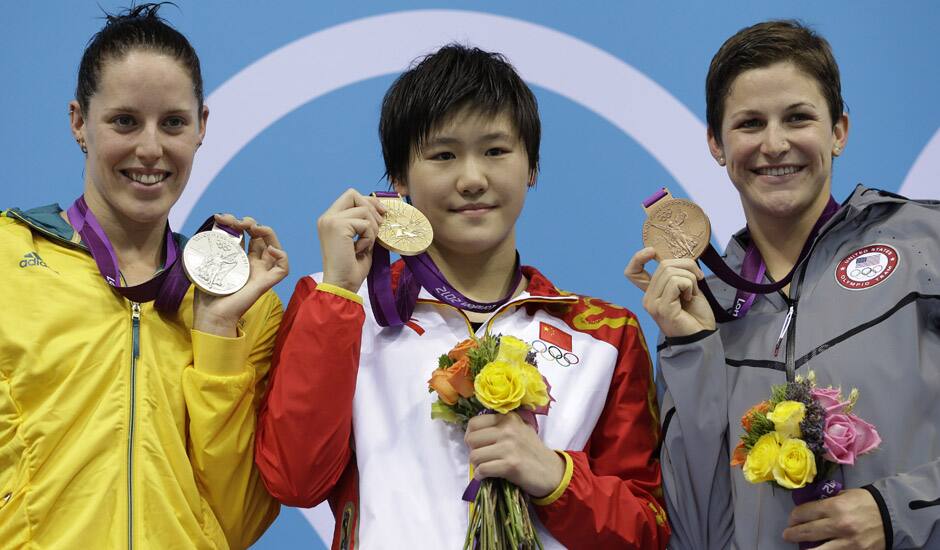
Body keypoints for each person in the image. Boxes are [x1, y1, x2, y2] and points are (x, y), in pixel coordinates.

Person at [255, 45, 670, 549]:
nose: (472, 179)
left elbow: (646, 531)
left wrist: (555, 478)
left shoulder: (603, 335)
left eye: (496, 151)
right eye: (443, 155)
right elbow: (295, 481)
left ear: (532, 167)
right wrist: (339, 293)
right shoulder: (341, 305)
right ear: (399, 179)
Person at [626, 19, 940, 549]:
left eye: (797, 118)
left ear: (838, 131)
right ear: (716, 144)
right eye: (749, 123)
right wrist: (690, 349)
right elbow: (692, 529)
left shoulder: (925, 243)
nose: (775, 144)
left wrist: (898, 513)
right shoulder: (704, 308)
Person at [0, 5, 287, 548]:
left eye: (173, 122)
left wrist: (218, 331)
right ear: (79, 121)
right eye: (125, 121)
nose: (151, 148)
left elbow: (240, 521)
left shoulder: (245, 303)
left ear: (202, 126)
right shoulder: (6, 260)